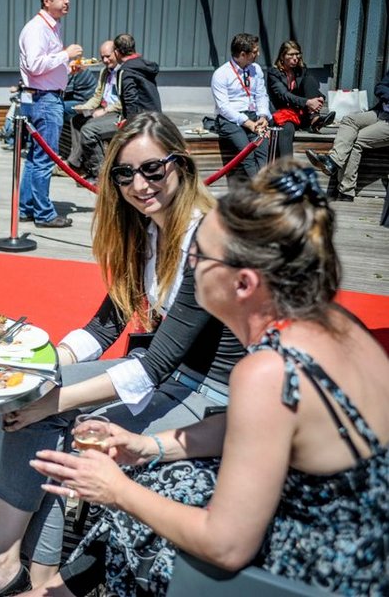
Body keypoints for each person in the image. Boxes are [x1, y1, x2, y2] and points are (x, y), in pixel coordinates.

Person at [26, 160, 388, 596]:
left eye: (197, 256)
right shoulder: (332, 323)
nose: (188, 265)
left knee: (140, 504)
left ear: (243, 284)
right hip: (362, 537)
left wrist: (114, 489)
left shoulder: (267, 372)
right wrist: (149, 446)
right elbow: (251, 427)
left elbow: (226, 546)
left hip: (324, 573)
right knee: (159, 476)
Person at [0, 112, 245, 596]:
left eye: (152, 169)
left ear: (181, 164)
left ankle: (25, 568)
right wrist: (45, 366)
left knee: (54, 417)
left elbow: (156, 364)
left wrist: (52, 400)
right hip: (169, 375)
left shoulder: (207, 239)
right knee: (20, 397)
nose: (139, 185)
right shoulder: (147, 229)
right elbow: (107, 323)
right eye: (125, 174)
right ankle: (17, 562)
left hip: (211, 393)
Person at [17, 0, 83, 228]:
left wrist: (66, 67)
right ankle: (44, 214)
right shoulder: (38, 29)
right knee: (45, 158)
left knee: (36, 157)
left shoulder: (48, 27)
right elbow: (35, 65)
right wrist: (66, 55)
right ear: (47, 0)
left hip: (41, 97)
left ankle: (27, 208)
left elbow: (41, 64)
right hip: (45, 99)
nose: (67, 1)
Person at [306, 67, 389, 201]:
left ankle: (346, 191)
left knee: (357, 140)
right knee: (349, 120)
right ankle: (333, 161)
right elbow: (380, 87)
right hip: (382, 112)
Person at [211, 33, 271, 180]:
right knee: (247, 154)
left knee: (262, 151)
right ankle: (259, 188)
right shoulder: (221, 74)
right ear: (243, 54)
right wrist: (247, 123)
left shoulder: (256, 69)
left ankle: (263, 186)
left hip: (254, 116)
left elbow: (261, 95)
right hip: (230, 119)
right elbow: (224, 107)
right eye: (255, 52)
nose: (258, 54)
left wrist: (263, 116)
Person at [266, 40, 334, 158]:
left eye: (297, 54)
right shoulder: (274, 73)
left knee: (309, 80)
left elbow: (311, 88)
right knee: (287, 129)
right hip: (282, 115)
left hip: (300, 113)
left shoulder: (301, 71)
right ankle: (287, 166)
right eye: (291, 55)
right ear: (282, 56)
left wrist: (319, 98)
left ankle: (314, 118)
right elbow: (284, 95)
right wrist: (308, 102)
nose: (295, 58)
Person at [70, 40, 121, 180]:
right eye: (102, 57)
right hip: (105, 109)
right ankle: (77, 164)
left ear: (117, 53)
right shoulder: (105, 72)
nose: (105, 60)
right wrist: (85, 107)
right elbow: (97, 96)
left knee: (88, 129)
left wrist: (105, 111)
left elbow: (124, 101)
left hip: (117, 112)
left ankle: (100, 174)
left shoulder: (123, 72)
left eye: (108, 56)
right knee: (77, 120)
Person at [114, 33, 162, 120]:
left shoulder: (126, 71)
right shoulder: (145, 66)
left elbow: (130, 100)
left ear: (116, 52)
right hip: (156, 117)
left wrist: (129, 122)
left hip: (142, 121)